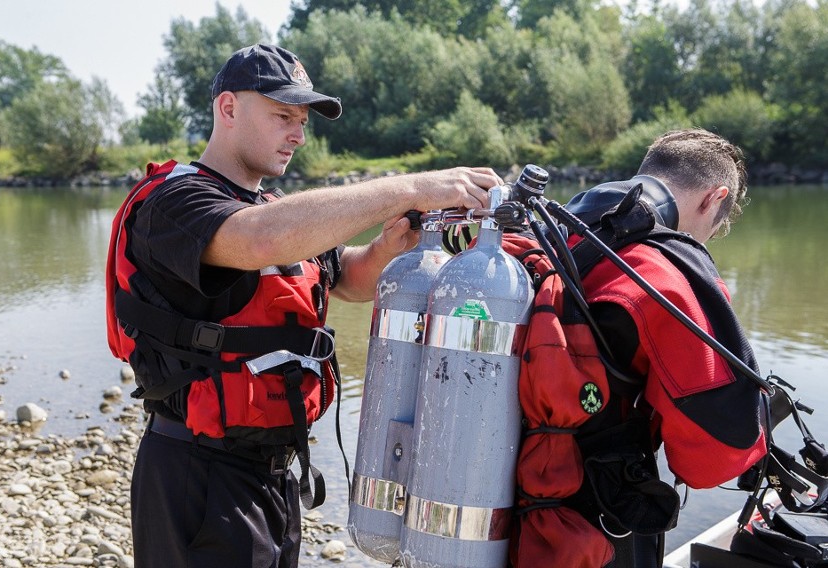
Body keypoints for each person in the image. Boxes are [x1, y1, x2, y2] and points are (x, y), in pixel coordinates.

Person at [104, 43, 503, 568]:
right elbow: (261, 242)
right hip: (197, 473)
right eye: (282, 116)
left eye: (303, 121)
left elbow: (351, 278)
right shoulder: (175, 202)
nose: (298, 133)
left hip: (272, 471)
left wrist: (391, 248)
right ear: (227, 108)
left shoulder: (274, 210)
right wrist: (416, 185)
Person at [509, 129, 768, 568]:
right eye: (716, 226)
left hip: (498, 503)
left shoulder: (548, 229)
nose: (707, 239)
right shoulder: (665, 275)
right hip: (589, 527)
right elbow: (712, 458)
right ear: (713, 199)